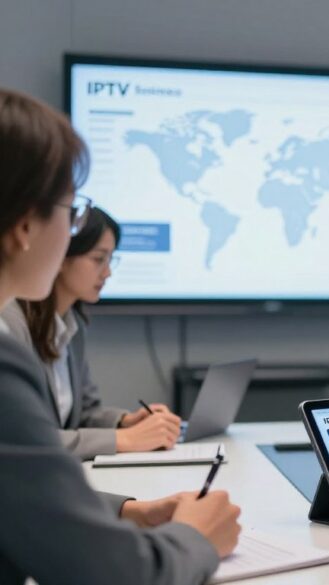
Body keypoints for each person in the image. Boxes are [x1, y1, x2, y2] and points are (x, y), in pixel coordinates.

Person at [0, 87, 241, 584]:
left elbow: (16, 495)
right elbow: (116, 574)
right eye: (72, 211)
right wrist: (196, 537)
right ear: (25, 225)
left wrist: (128, 511)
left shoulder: (64, 328)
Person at [1, 207, 181, 460]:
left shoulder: (72, 325)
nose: (107, 272)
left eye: (110, 260)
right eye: (98, 259)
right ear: (62, 255)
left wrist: (124, 422)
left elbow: (83, 414)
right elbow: (23, 437)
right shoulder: (10, 323)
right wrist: (123, 440)